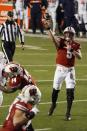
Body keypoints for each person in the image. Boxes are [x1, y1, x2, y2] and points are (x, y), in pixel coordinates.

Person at [47, 26, 82, 120]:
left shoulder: (76, 44)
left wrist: (72, 50)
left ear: (73, 35)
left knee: (70, 92)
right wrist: (48, 29)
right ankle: (53, 104)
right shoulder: (61, 42)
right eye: (67, 33)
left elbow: (79, 57)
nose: (69, 35)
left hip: (70, 71)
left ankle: (68, 113)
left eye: (70, 34)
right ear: (65, 34)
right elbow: (53, 39)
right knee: (55, 90)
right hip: (60, 70)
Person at [0, 62, 41, 131]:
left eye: (8, 74)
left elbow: (8, 90)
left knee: (18, 111)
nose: (7, 75)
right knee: (17, 111)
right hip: (29, 90)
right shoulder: (17, 67)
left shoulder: (17, 79)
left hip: (29, 94)